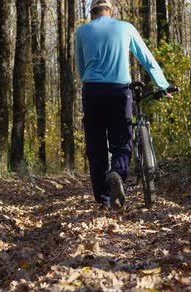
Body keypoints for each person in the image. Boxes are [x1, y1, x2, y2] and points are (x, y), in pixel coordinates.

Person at [76, 0, 172, 210]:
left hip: (92, 90)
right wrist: (163, 84)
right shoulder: (126, 27)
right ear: (111, 10)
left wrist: (92, 82)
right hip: (119, 90)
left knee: (96, 145)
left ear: (92, 12)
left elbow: (81, 68)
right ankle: (117, 174)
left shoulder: (82, 31)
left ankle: (104, 199)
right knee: (121, 140)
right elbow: (146, 58)